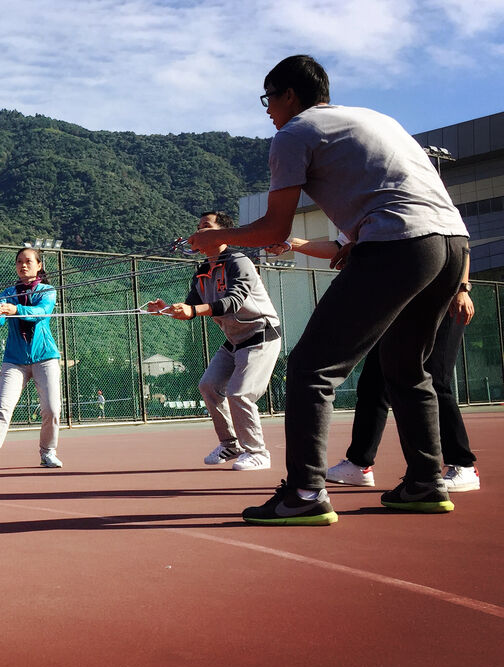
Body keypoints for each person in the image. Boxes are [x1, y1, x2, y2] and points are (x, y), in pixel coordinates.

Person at [188, 55, 470, 525]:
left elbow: (274, 228)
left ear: (289, 95)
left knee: (311, 367)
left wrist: (216, 239)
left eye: (268, 98)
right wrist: (359, 237)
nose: (267, 110)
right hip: (451, 244)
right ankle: (425, 481)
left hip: (398, 243)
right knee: (407, 368)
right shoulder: (375, 119)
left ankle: (304, 493)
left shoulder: (294, 133)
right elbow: (404, 189)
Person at [269, 237, 481, 491]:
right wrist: (291, 244)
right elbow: (339, 246)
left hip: (439, 297)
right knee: (373, 384)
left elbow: (459, 242)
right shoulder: (372, 219)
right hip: (398, 302)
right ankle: (359, 464)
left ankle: (463, 465)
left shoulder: (417, 216)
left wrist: (462, 288)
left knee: (434, 379)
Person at [148, 211, 281, 472]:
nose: (198, 232)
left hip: (260, 334)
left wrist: (193, 310)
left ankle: (258, 452)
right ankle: (230, 444)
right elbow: (191, 307)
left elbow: (233, 301)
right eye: (198, 227)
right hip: (235, 339)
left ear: (223, 233)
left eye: (205, 226)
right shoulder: (202, 272)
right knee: (209, 385)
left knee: (239, 394)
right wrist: (164, 309)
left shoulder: (238, 261)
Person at [0, 247, 63, 472]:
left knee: (52, 409)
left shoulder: (47, 290)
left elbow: (41, 312)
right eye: (19, 261)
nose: (23, 265)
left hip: (45, 357)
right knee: (2, 407)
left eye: (28, 261)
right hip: (14, 360)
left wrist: (15, 309)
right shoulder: (8, 292)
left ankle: (48, 452)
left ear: (39, 265)